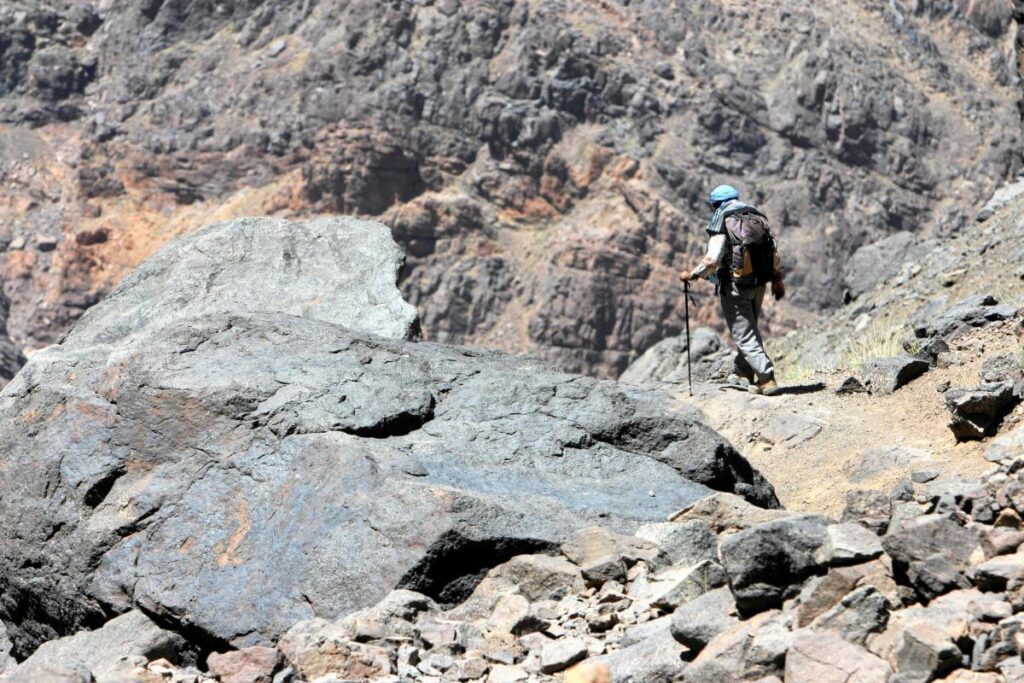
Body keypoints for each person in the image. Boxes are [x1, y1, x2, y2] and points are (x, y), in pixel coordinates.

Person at [678, 185, 785, 395]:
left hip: (736, 286)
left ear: (715, 204)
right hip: (759, 283)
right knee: (749, 329)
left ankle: (766, 378)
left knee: (744, 334)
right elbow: (773, 250)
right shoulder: (755, 216)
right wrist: (777, 281)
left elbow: (713, 258)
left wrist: (693, 274)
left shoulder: (723, 220)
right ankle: (743, 373)